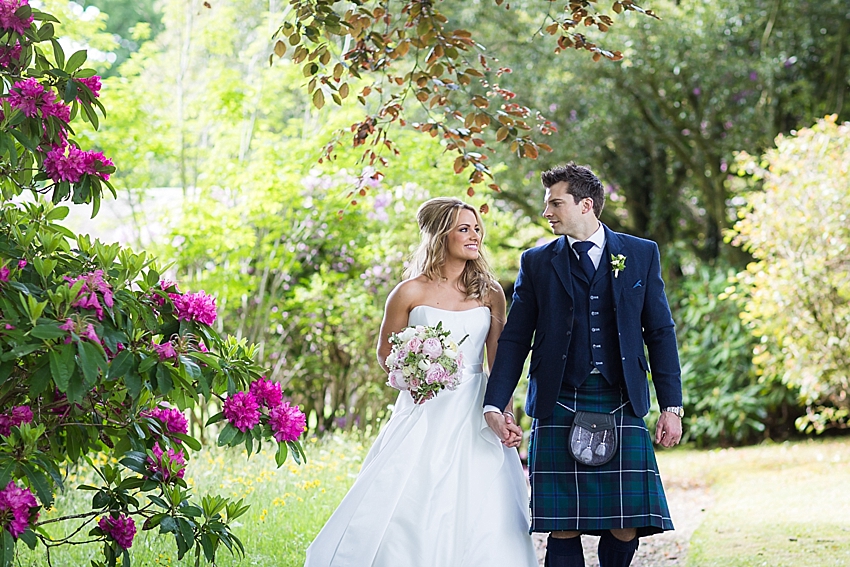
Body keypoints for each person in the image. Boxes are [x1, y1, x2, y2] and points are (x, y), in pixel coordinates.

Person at [305, 197, 538, 567]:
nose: (475, 235)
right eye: (464, 228)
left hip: (475, 407)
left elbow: (499, 361)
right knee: (411, 493)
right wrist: (414, 372)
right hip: (424, 407)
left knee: (481, 498)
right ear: (439, 234)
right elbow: (385, 352)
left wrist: (504, 413)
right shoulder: (409, 292)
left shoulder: (490, 292)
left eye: (477, 228)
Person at [483, 163, 683, 567]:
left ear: (586, 204)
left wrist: (672, 407)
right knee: (563, 523)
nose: (547, 212)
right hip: (559, 398)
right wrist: (494, 403)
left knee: (626, 522)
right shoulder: (537, 262)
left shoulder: (640, 253)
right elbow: (517, 337)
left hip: (621, 395)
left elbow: (660, 332)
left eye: (555, 203)